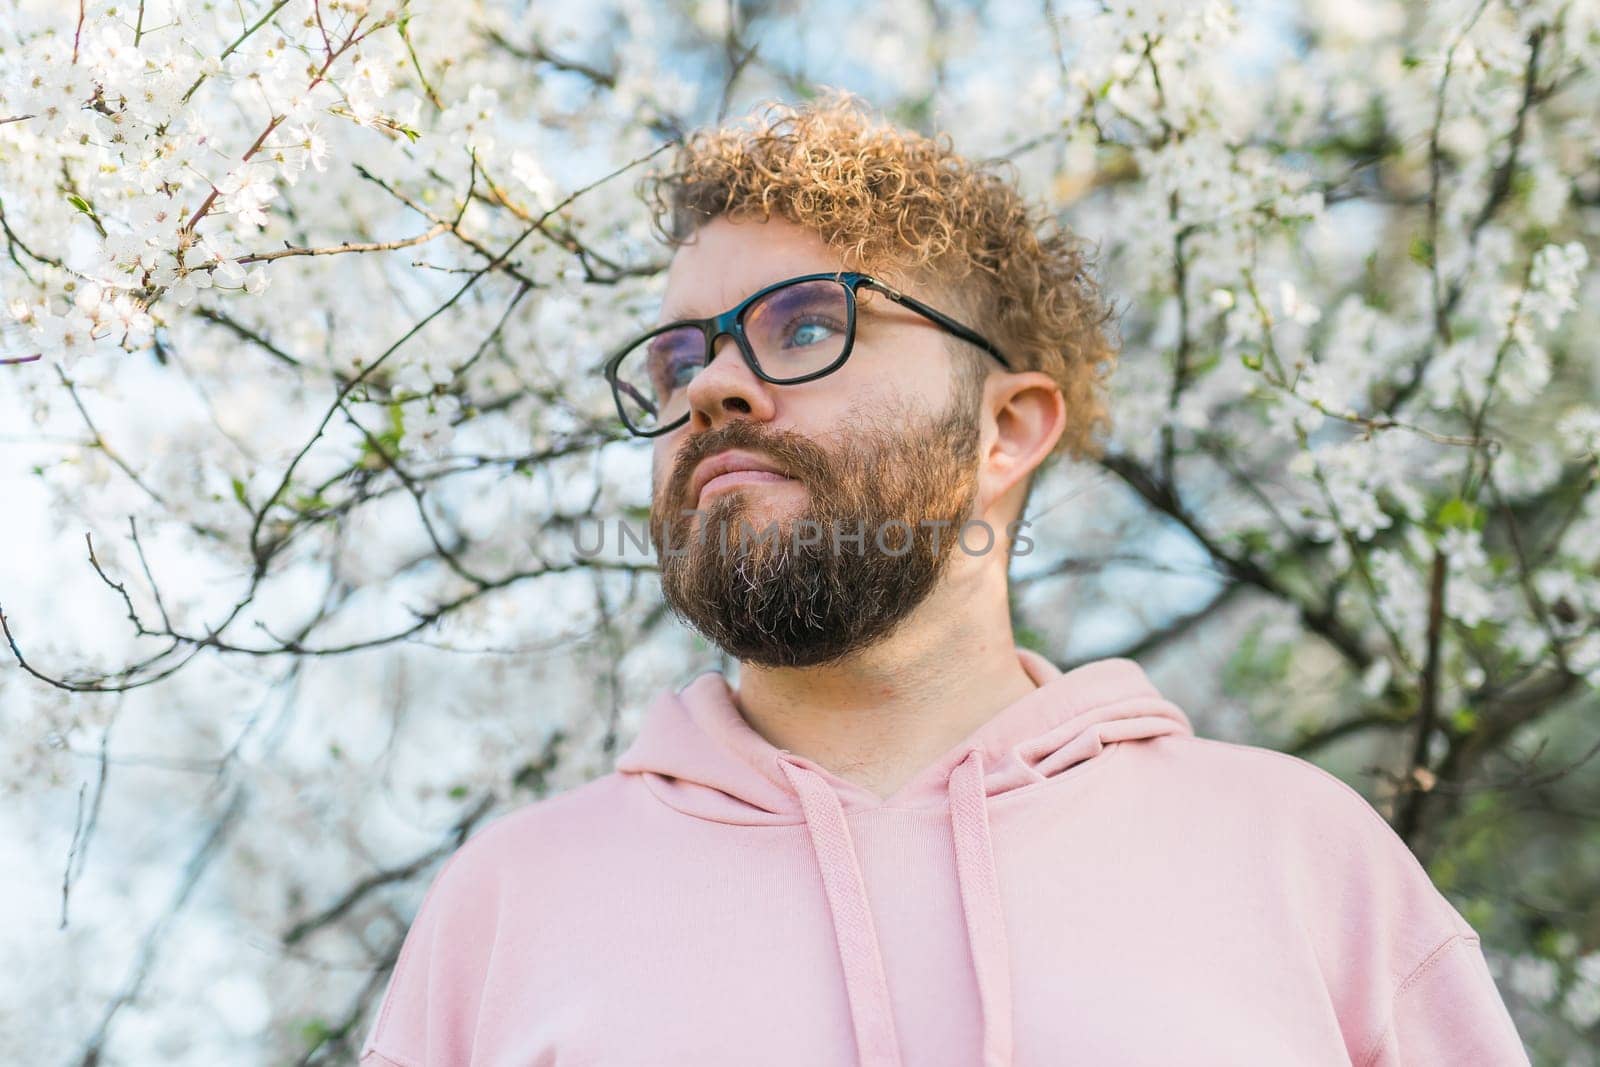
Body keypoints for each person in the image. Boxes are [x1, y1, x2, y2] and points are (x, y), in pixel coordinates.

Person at [358, 91, 1529, 1066]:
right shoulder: (505, 909)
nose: (713, 384)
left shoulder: (1301, 857)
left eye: (808, 324)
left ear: (1005, 429)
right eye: (678, 353)